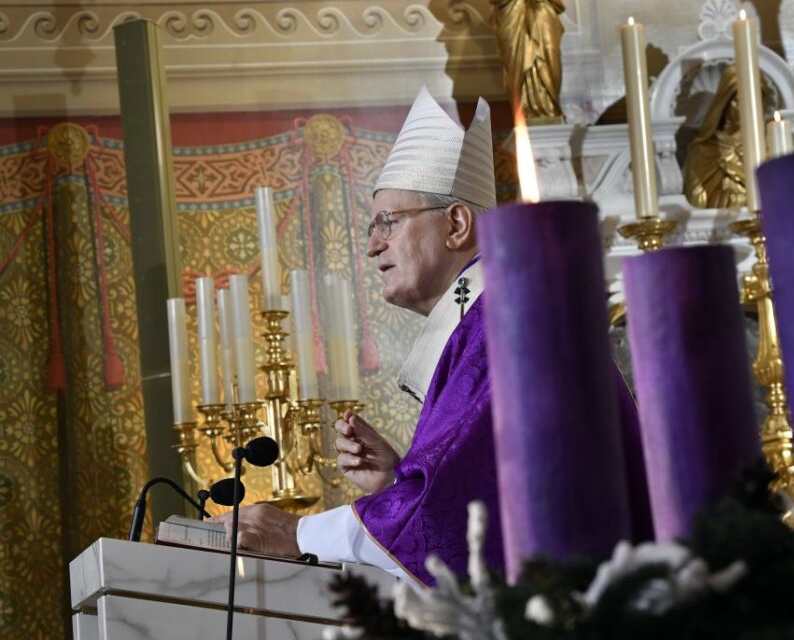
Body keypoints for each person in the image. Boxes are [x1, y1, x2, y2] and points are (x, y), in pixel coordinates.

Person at [212, 87, 650, 586]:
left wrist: (299, 534)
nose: (374, 246)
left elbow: (461, 526)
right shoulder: (494, 320)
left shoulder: (504, 326)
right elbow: (489, 504)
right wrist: (399, 483)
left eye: (389, 223)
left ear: (457, 223)